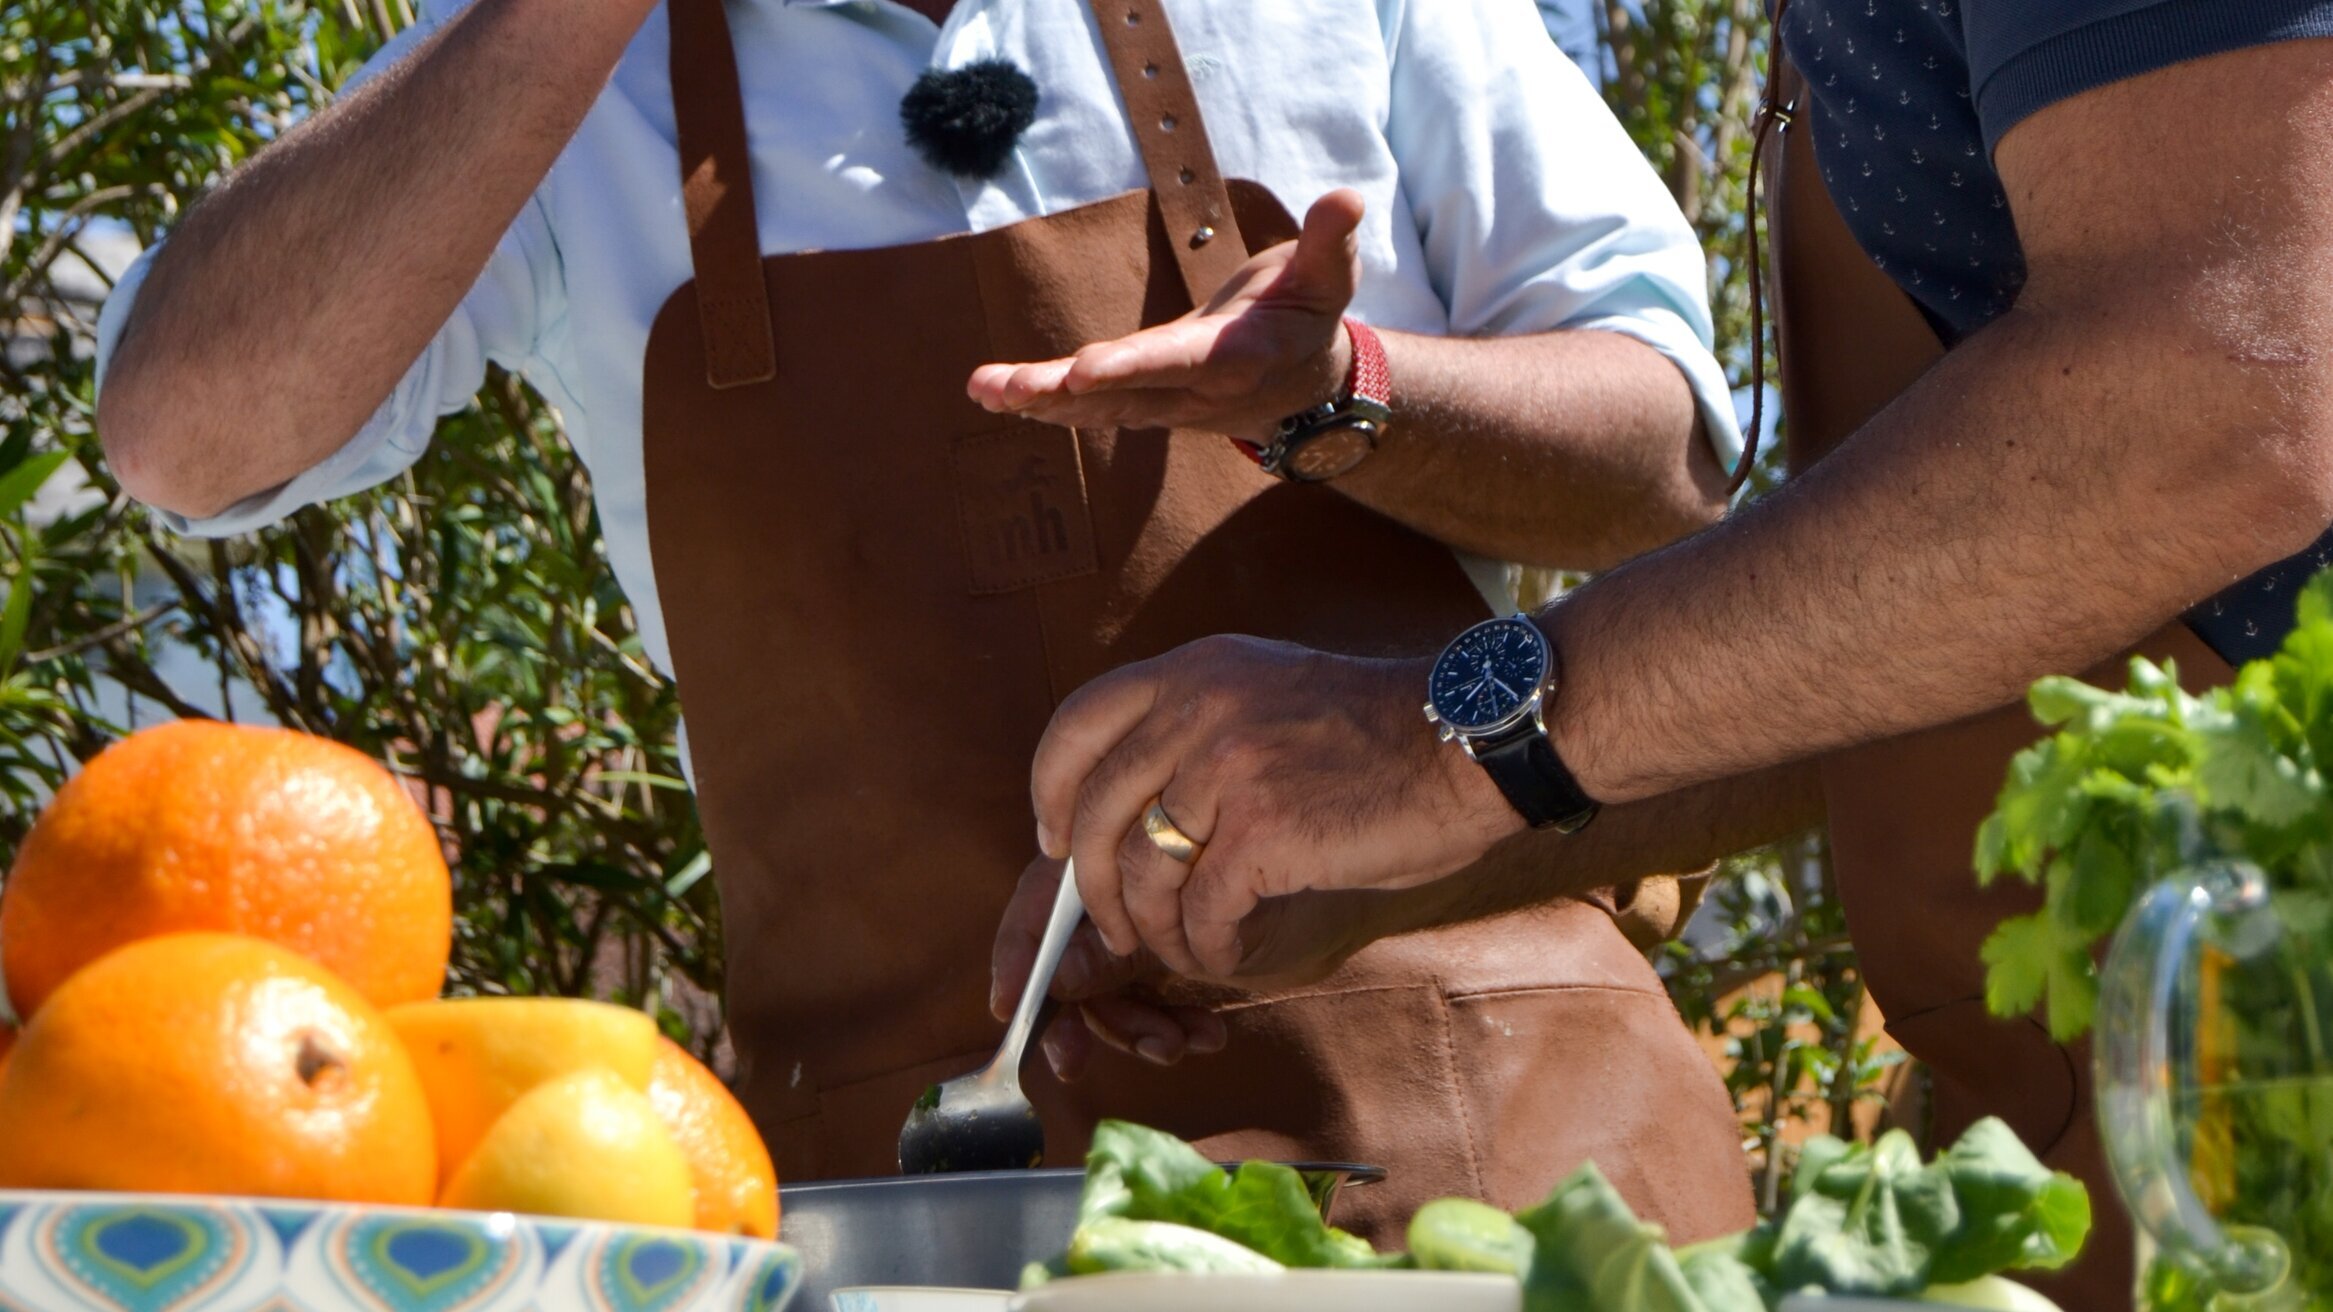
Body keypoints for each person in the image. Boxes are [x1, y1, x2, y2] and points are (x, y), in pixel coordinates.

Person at [94, 0, 1760, 1242]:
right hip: (920, 1221)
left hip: (1511, 1148)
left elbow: (1669, 449)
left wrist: (1342, 393)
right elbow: (188, 437)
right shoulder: (564, 86)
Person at [1012, 1, 2333, 1300]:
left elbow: (2219, 401)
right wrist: (1390, 866)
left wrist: (1439, 745)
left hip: (2269, 1089)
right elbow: (1926, 637)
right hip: (2123, 1146)